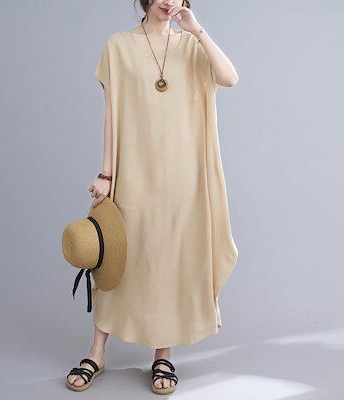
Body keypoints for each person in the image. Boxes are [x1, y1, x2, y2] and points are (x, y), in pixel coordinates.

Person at [66, 0, 239, 394]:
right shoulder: (118, 46)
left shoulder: (192, 46)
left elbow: (229, 78)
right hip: (134, 172)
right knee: (117, 259)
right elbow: (111, 113)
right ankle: (97, 353)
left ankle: (163, 356)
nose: (168, 1)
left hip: (184, 177)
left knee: (169, 262)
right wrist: (106, 174)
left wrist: (197, 30)